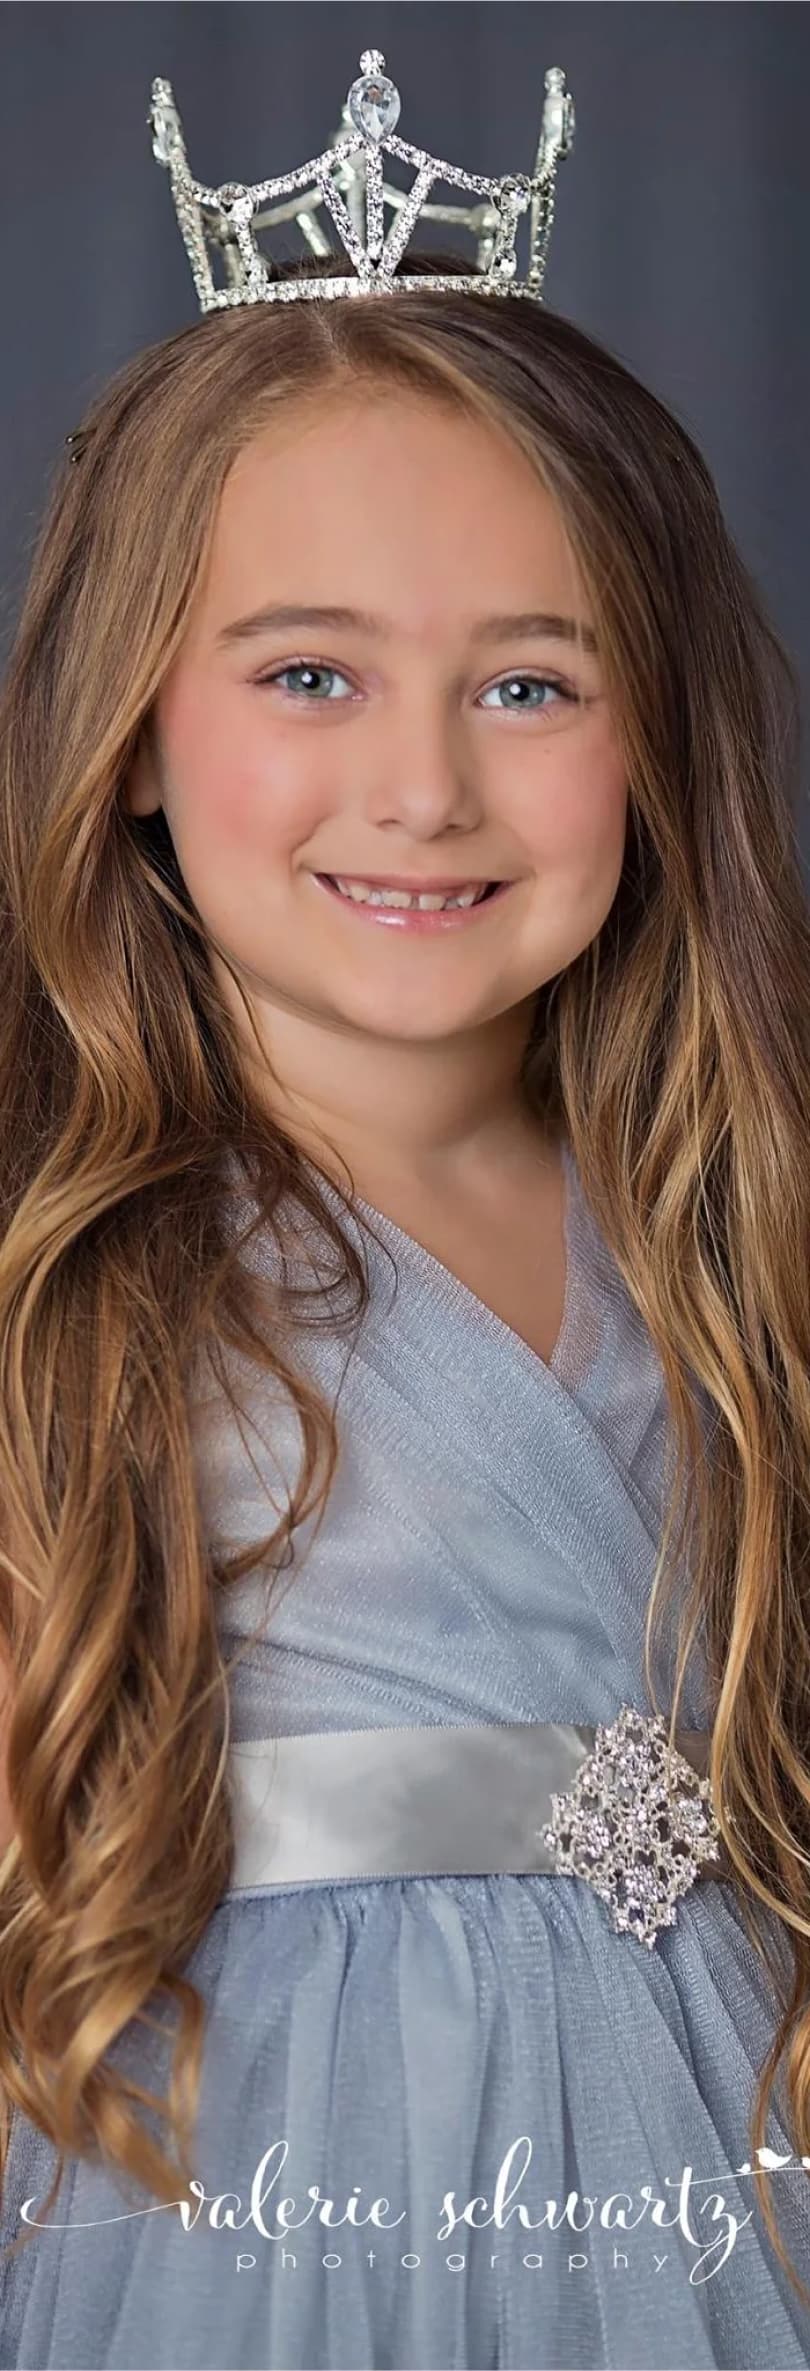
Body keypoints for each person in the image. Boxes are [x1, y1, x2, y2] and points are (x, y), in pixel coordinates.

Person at [1, 123, 810, 2371]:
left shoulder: (736, 1223)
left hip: (720, 2153)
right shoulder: (60, 1265)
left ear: (656, 739)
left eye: (532, 684)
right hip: (243, 2190)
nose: (429, 786)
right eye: (310, 675)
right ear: (134, 735)